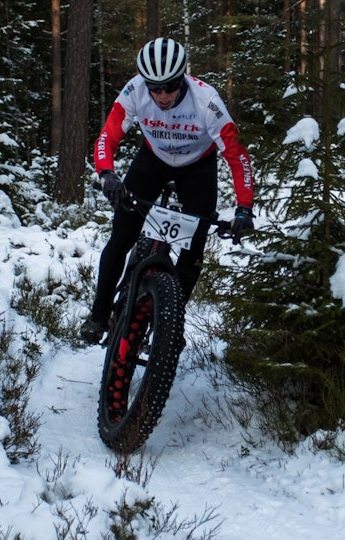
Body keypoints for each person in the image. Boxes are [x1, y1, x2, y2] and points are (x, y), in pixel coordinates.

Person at [80, 37, 255, 344]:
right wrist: (107, 174)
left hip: (197, 168)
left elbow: (237, 156)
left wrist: (244, 209)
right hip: (153, 160)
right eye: (155, 87)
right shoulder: (135, 90)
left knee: (193, 252)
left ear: (182, 79)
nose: (161, 95)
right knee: (121, 236)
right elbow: (108, 135)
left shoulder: (206, 101)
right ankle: (98, 314)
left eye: (170, 86)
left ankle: (171, 320)